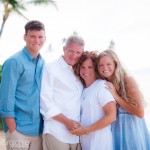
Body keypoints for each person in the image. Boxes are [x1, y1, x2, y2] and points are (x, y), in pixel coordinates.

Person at [0, 20, 46, 150]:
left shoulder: (43, 63)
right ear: (25, 37)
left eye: (40, 36)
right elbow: (6, 96)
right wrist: (12, 128)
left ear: (45, 39)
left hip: (38, 131)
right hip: (18, 130)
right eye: (32, 36)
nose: (37, 40)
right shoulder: (14, 62)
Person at [97, 49, 150, 150]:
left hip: (132, 134)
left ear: (115, 64)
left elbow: (140, 112)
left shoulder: (128, 80)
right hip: (115, 134)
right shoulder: (102, 84)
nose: (105, 68)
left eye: (108, 64)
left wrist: (116, 96)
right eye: (101, 65)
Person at [40, 35, 85, 150]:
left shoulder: (81, 71)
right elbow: (45, 101)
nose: (74, 56)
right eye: (71, 51)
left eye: (78, 52)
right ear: (64, 49)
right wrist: (67, 122)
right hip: (56, 131)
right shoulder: (51, 68)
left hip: (76, 135)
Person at [71, 51, 116, 150]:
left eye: (90, 67)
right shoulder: (83, 89)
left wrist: (85, 130)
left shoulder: (102, 86)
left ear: (96, 68)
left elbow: (112, 116)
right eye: (82, 67)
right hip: (86, 142)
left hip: (100, 142)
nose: (86, 70)